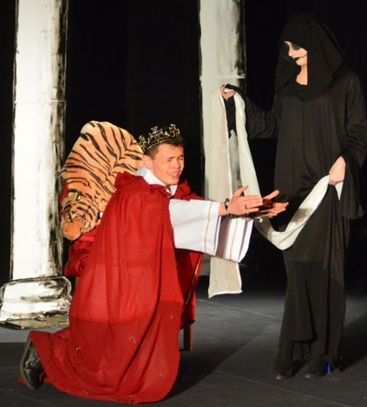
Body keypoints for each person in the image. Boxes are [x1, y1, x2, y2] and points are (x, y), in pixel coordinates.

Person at [19, 124, 286, 403]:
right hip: (122, 276)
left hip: (147, 275)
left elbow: (192, 213)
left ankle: (127, 371)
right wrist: (226, 208)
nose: (177, 166)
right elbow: (170, 212)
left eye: (180, 158)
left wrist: (249, 212)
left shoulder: (170, 190)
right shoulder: (135, 192)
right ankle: (45, 349)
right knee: (111, 349)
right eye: (169, 159)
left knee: (135, 338)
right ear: (147, 161)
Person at [222, 13, 367, 379]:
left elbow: (359, 133)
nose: (291, 53)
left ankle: (323, 351)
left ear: (315, 45)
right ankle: (297, 346)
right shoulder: (287, 84)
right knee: (299, 271)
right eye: (287, 47)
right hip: (290, 190)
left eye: (297, 47)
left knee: (325, 271)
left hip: (325, 188)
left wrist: (346, 160)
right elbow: (272, 125)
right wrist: (239, 103)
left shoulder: (345, 82)